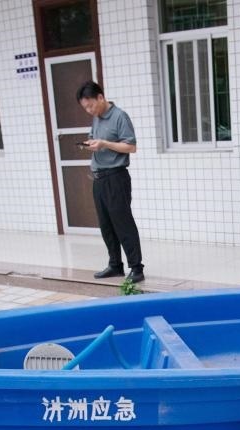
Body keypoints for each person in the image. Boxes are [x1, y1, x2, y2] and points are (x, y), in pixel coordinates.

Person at [76, 81, 145, 284]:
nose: (89, 111)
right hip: (99, 178)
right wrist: (90, 144)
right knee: (106, 225)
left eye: (90, 105)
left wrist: (104, 143)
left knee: (123, 223)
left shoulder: (120, 116)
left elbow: (131, 147)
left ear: (100, 97)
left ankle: (136, 268)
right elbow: (95, 138)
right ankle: (115, 265)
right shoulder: (96, 118)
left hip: (116, 177)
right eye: (85, 108)